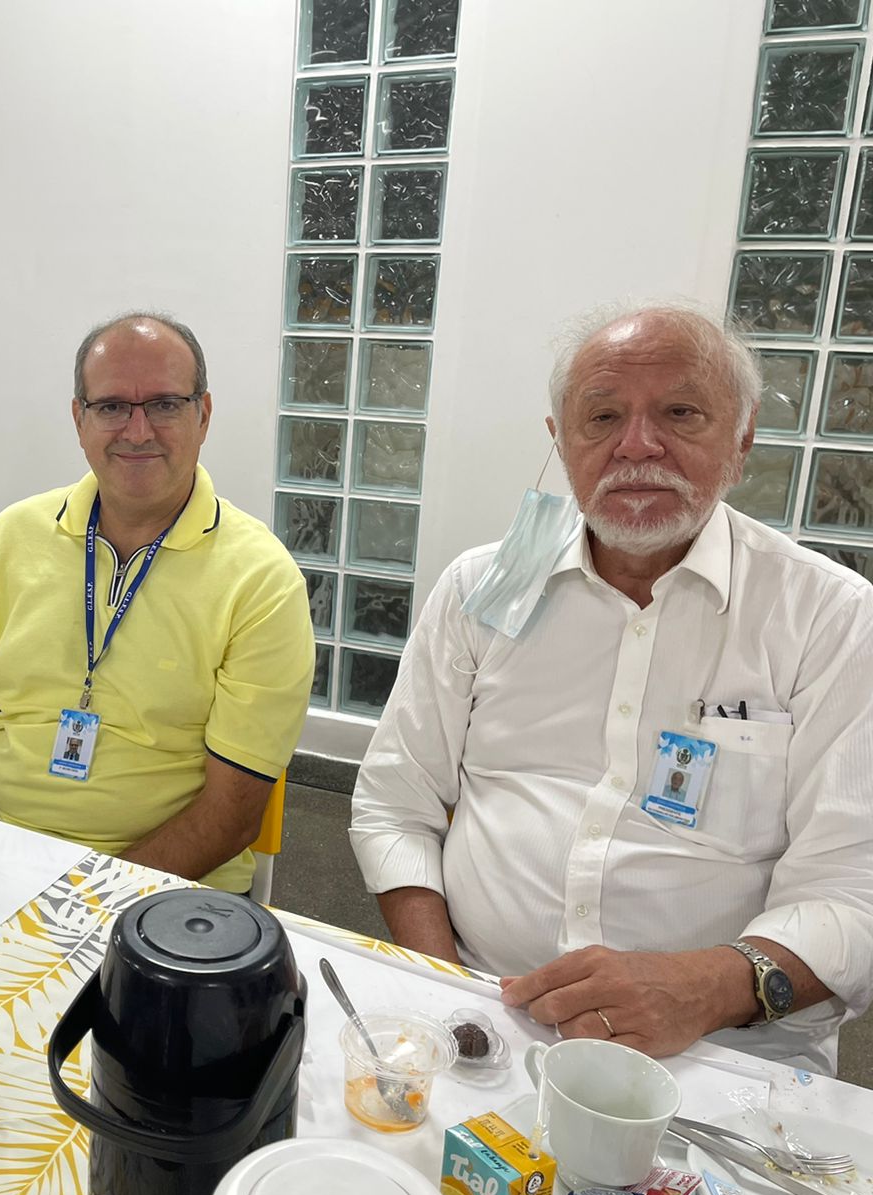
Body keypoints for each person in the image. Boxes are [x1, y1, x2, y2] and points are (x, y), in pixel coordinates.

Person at [349, 305, 873, 1071]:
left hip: (721, 1046)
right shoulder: (480, 588)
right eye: (602, 417)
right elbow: (394, 804)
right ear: (561, 442)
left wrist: (705, 990)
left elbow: (854, 891)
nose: (637, 445)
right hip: (485, 1007)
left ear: (743, 436)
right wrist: (449, 990)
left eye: (680, 412)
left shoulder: (831, 619)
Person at [0, 313, 314, 892]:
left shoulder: (262, 581)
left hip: (163, 894)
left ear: (203, 415)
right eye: (111, 407)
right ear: (79, 419)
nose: (137, 431)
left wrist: (82, 899)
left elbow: (230, 814)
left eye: (165, 404)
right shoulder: (9, 539)